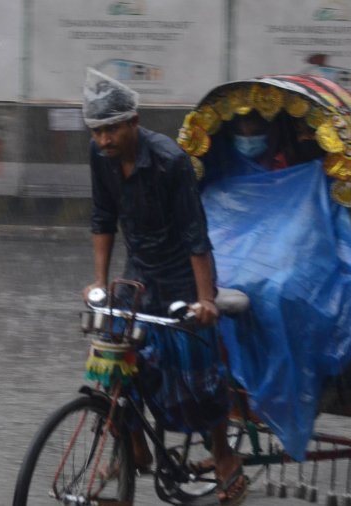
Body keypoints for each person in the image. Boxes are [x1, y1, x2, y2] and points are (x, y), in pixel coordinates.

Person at [80, 68, 248, 506]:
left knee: (197, 369)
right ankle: (133, 445)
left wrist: (205, 300)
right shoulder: (99, 156)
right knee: (114, 355)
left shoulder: (169, 161)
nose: (104, 140)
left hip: (180, 274)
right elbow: (103, 218)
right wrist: (99, 283)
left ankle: (223, 454)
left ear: (134, 122)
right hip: (137, 273)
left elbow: (195, 235)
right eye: (96, 131)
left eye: (112, 129)